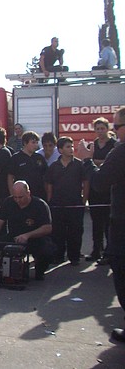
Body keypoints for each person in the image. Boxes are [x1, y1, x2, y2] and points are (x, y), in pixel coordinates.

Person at [78, 107, 125, 343]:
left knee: (121, 269)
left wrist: (87, 160)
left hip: (122, 224)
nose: (114, 132)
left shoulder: (120, 151)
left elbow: (99, 182)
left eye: (116, 127)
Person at [0, 181, 56, 281]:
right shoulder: (8, 202)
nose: (17, 200)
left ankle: (40, 271)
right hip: (14, 236)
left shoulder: (40, 205)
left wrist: (27, 235)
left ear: (28, 193)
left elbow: (47, 228)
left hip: (35, 238)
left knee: (47, 250)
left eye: (21, 197)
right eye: (15, 197)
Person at [44, 136, 89, 265]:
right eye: (68, 147)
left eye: (72, 146)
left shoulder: (79, 164)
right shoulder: (54, 166)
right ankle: (58, 256)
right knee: (58, 233)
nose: (71, 149)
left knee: (75, 232)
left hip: (75, 204)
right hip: (58, 205)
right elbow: (49, 185)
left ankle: (74, 257)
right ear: (60, 149)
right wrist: (50, 200)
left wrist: (84, 200)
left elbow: (86, 182)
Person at [86, 117, 117, 263]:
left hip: (109, 189)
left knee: (108, 223)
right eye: (97, 129)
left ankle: (109, 253)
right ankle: (96, 250)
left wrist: (95, 161)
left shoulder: (114, 145)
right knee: (96, 222)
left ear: (108, 128)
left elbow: (111, 164)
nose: (100, 131)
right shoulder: (93, 145)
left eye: (102, 128)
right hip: (95, 189)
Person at [7, 131, 48, 201]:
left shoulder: (39, 157)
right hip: (22, 197)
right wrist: (12, 193)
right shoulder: (16, 158)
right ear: (25, 143)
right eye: (33, 142)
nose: (36, 145)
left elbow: (46, 177)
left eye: (37, 143)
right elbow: (10, 177)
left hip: (39, 195)